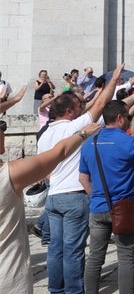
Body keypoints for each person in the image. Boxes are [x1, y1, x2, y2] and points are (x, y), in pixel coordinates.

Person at [38, 64, 123, 294]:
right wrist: (114, 79)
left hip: (53, 196)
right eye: (78, 106)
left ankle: (56, 290)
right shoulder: (73, 127)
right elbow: (101, 104)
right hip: (74, 195)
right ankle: (74, 291)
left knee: (55, 249)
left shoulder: (44, 135)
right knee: (73, 249)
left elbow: (44, 170)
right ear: (69, 112)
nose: (82, 107)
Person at [0, 117, 100, 294]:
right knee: (71, 248)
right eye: (2, 126)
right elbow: (59, 152)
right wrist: (83, 133)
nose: (4, 131)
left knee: (56, 247)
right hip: (8, 279)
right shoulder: (8, 174)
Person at [78, 100, 134, 294]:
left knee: (95, 257)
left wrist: (96, 196)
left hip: (98, 207)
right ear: (120, 117)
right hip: (124, 206)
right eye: (128, 117)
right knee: (125, 256)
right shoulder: (129, 141)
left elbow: (83, 178)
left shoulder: (90, 143)